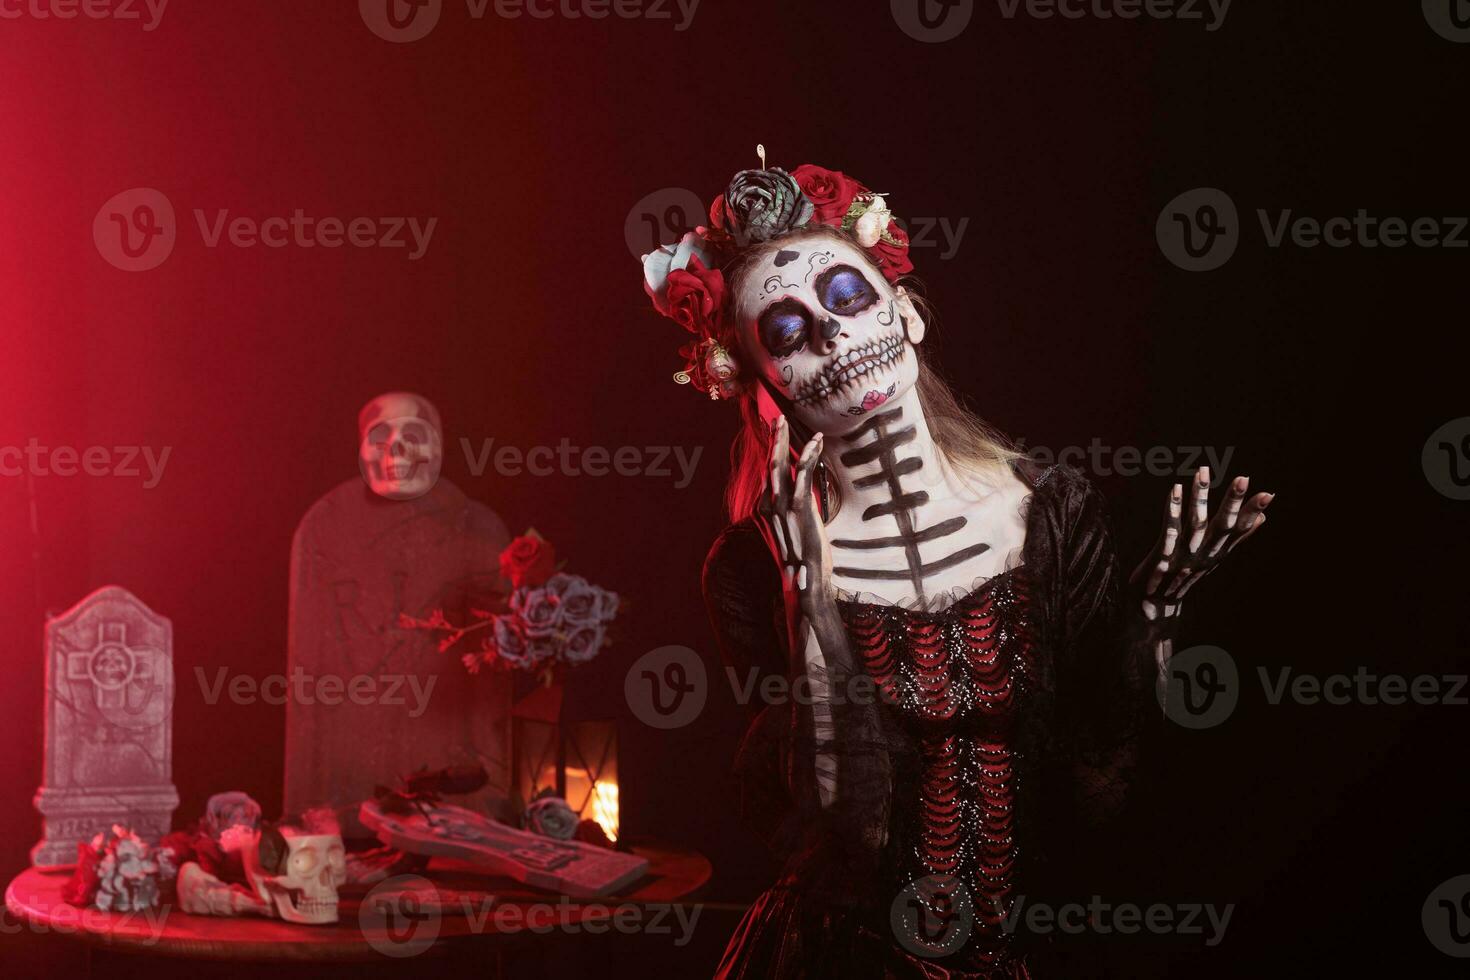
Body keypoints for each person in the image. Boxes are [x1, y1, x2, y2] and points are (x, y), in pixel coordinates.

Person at [640, 153, 1273, 978]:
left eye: (847, 297)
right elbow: (840, 835)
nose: (831, 333)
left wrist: (1151, 614)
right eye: (788, 332)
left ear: (905, 315)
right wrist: (811, 600)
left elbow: (1100, 796)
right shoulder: (751, 566)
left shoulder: (1051, 510)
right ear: (763, 383)